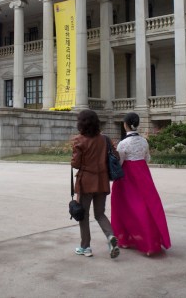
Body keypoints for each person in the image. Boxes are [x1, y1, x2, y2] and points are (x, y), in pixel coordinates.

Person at [110, 112, 171, 256]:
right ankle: (150, 241)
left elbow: (119, 162)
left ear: (125, 125)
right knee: (147, 206)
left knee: (125, 207)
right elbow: (147, 158)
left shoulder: (123, 143)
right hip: (143, 175)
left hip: (127, 178)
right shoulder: (144, 141)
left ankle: (124, 239)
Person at [70, 109, 120, 259]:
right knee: (100, 214)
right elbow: (115, 156)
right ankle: (111, 237)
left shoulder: (79, 140)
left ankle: (85, 247)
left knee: (83, 215)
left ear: (81, 123)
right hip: (102, 181)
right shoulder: (104, 139)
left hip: (86, 182)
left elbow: (75, 164)